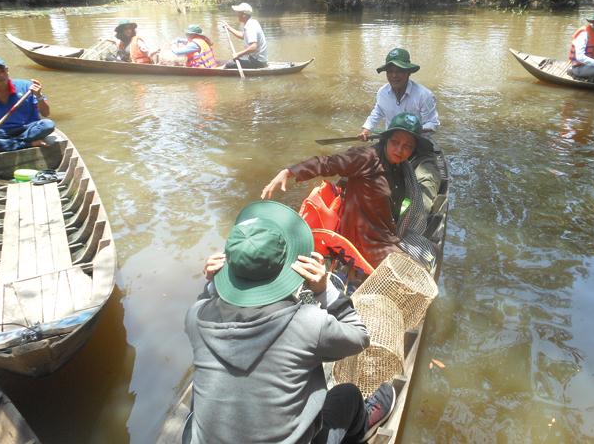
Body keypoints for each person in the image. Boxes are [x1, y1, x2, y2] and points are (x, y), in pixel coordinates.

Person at [184, 200, 396, 444]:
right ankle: (359, 432)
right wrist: (325, 290)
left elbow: (206, 300)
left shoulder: (195, 317)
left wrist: (211, 285)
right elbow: (360, 336)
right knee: (348, 395)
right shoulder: (308, 322)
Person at [262, 113, 438, 270]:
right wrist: (290, 171)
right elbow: (328, 163)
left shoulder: (401, 168)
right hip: (363, 239)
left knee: (429, 256)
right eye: (395, 142)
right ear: (386, 140)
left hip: (385, 233)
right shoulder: (366, 158)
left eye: (407, 146)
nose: (399, 150)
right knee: (412, 273)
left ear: (413, 150)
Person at [359, 48, 441, 213]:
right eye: (390, 71)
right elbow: (377, 112)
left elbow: (433, 123)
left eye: (400, 71)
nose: (394, 75)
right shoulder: (382, 93)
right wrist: (367, 128)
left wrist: (411, 131)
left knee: (426, 179)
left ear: (409, 72)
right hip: (390, 144)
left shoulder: (424, 95)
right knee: (361, 164)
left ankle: (417, 214)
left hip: (417, 146)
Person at [0, 57, 55, 152]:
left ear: (7, 70)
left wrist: (39, 96)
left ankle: (10, 144)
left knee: (48, 125)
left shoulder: (26, 86)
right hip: (5, 132)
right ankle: (27, 144)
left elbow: (46, 113)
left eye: (2, 71)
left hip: (29, 129)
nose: (1, 75)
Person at [221, 2, 268, 69]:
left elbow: (253, 47)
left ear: (244, 15)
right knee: (231, 62)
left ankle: (215, 71)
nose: (237, 15)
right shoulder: (252, 22)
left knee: (229, 64)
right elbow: (243, 35)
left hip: (258, 62)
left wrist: (238, 54)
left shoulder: (250, 26)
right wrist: (229, 28)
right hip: (258, 60)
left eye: (238, 13)